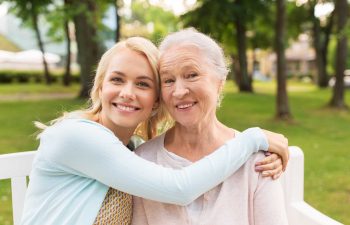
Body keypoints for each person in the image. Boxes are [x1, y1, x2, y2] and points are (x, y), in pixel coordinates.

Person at [21, 37, 288, 225]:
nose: (127, 93)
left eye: (143, 84)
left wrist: (255, 149)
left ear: (155, 101)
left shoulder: (132, 151)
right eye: (117, 79)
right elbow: (179, 188)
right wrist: (253, 139)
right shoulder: (77, 137)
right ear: (100, 87)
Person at [132, 29, 289, 225]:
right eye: (168, 80)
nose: (179, 92)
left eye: (191, 75)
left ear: (220, 82)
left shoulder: (258, 162)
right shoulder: (143, 160)